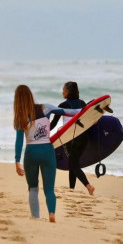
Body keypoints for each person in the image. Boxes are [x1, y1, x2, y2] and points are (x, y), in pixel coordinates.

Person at [13, 85, 75, 223]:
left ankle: (35, 217)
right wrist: (89, 111)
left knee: (33, 189)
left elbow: (18, 142)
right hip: (47, 151)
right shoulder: (45, 108)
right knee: (49, 189)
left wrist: (17, 161)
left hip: (31, 153)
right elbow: (69, 112)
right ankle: (51, 214)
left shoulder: (20, 116)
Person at [50, 82, 95, 195]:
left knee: (74, 164)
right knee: (72, 163)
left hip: (71, 138)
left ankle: (88, 186)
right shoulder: (82, 103)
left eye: (64, 90)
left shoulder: (63, 105)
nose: (62, 92)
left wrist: (42, 132)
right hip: (84, 137)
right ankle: (71, 189)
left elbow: (54, 124)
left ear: (68, 92)